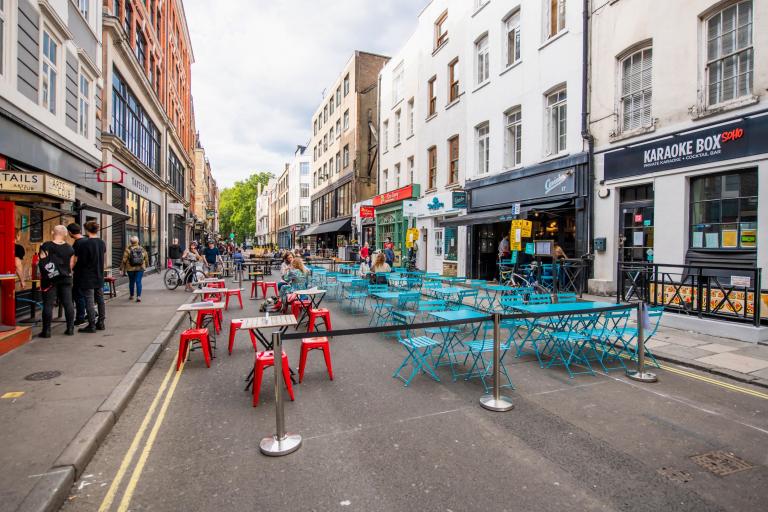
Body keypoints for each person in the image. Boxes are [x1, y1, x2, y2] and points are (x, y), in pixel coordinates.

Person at [38, 225, 75, 337]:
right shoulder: (70, 248)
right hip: (66, 278)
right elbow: (71, 265)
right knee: (68, 303)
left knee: (48, 304)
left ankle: (47, 331)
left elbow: (42, 262)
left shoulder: (46, 245)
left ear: (53, 232)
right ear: (65, 234)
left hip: (50, 279)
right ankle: (70, 329)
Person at [74, 221, 106, 333]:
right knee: (100, 300)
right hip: (99, 275)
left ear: (87, 230)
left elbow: (81, 262)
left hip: (88, 276)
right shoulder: (102, 243)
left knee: (89, 301)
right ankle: (101, 322)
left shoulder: (85, 244)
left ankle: (91, 325)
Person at [67, 223, 87, 325]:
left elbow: (74, 260)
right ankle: (91, 313)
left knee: (78, 295)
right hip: (89, 273)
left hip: (79, 273)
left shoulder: (77, 243)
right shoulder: (87, 240)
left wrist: (69, 271)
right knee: (86, 295)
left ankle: (80, 317)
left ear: (70, 232)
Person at [120, 236, 148, 302]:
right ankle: (138, 296)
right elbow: (146, 258)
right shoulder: (142, 249)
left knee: (131, 282)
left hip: (130, 269)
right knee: (138, 281)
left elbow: (124, 260)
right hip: (140, 268)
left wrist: (121, 268)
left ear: (130, 242)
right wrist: (146, 265)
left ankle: (131, 295)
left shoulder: (128, 249)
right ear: (137, 241)